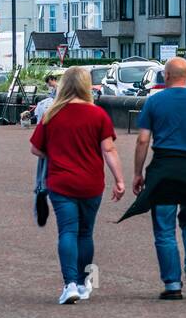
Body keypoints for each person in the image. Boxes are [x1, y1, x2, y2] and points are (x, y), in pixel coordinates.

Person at [118, 57, 186, 300]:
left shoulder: (155, 101)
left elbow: (143, 140)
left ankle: (172, 285)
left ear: (166, 75)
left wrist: (137, 172)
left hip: (164, 169)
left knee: (165, 230)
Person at [29, 67, 125, 304]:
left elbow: (35, 149)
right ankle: (83, 284)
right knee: (85, 233)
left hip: (61, 182)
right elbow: (109, 149)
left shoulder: (52, 114)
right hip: (91, 183)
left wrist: (56, 151)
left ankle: (69, 284)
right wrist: (119, 180)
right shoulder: (98, 115)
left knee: (67, 232)